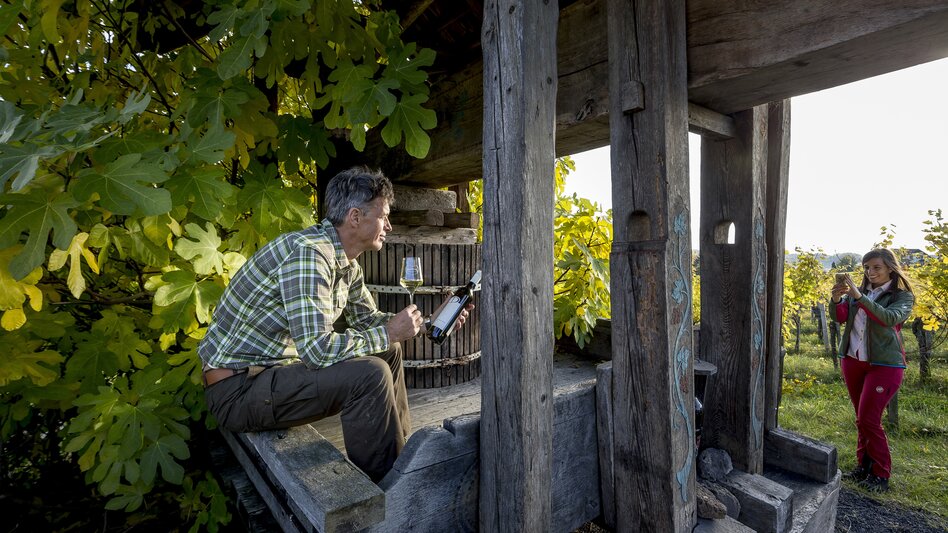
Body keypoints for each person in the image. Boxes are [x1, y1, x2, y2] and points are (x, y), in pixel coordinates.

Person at [198, 166, 472, 482]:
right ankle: (388, 489)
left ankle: (402, 464)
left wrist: (426, 323)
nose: (389, 226)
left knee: (389, 351)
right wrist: (386, 332)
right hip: (238, 390)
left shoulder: (345, 262)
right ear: (355, 217)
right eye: (383, 217)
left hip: (270, 375)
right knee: (370, 374)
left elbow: (368, 320)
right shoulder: (310, 255)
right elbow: (317, 352)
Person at [829, 248, 914, 493]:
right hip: (853, 360)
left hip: (885, 364)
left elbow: (888, 318)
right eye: (867, 267)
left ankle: (881, 473)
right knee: (861, 418)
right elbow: (840, 317)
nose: (870, 272)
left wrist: (859, 297)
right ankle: (863, 466)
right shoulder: (861, 293)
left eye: (876, 267)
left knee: (869, 418)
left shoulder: (902, 297)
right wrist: (837, 299)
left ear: (890, 268)